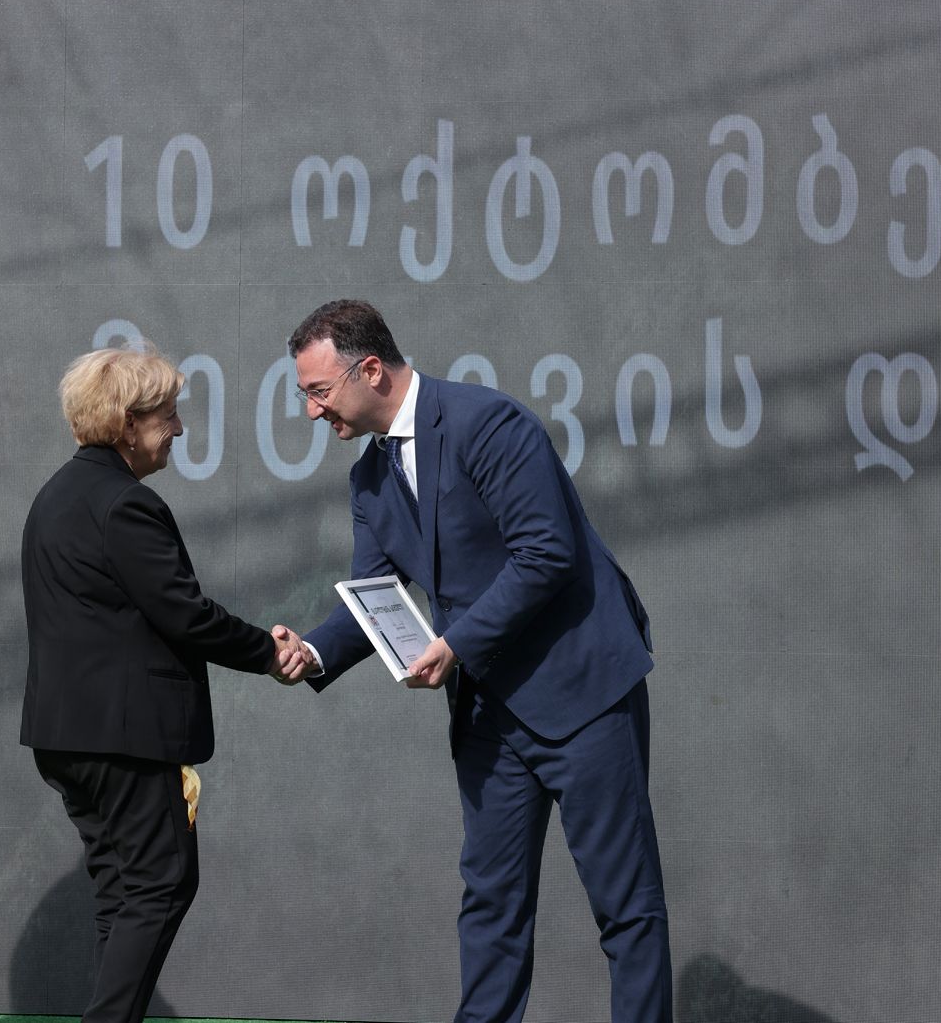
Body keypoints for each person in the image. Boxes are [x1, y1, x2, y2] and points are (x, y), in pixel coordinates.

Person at [282, 299, 671, 1023]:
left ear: (371, 371)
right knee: (492, 907)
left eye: (318, 391)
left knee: (626, 907)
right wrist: (311, 651)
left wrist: (456, 643)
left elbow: (546, 553)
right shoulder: (369, 481)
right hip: (490, 715)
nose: (311, 411)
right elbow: (375, 598)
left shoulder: (488, 424)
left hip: (582, 692)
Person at [19, 345, 308, 1023]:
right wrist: (267, 651)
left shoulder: (56, 495)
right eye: (168, 415)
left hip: (67, 737)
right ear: (127, 424)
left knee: (123, 893)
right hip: (123, 739)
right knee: (161, 882)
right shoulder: (126, 504)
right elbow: (184, 613)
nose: (178, 428)